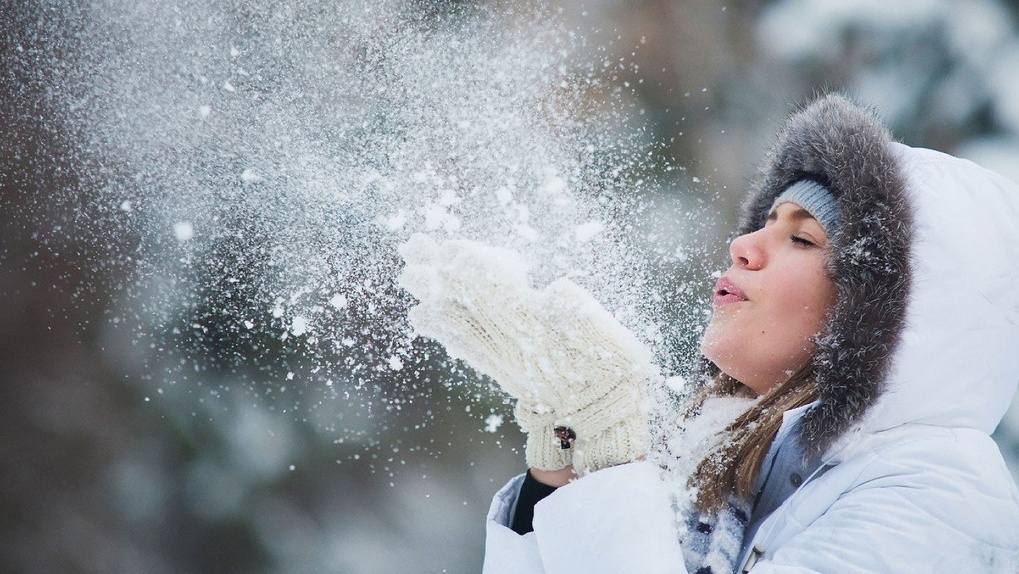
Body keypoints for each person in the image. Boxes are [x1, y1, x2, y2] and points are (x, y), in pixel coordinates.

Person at [397, 94, 1019, 573]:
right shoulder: (742, 458)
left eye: (801, 238)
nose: (742, 244)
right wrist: (561, 463)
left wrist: (613, 466)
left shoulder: (939, 499)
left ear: (881, 316)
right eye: (764, 222)